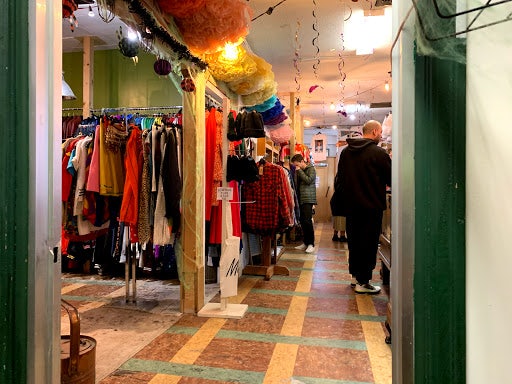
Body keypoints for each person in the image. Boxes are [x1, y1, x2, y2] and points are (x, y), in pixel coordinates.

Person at [334, 120, 391, 294]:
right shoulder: (379, 153)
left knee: (354, 243)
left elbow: (340, 180)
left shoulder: (345, 153)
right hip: (371, 207)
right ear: (374, 132)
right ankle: (363, 282)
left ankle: (355, 277)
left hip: (351, 207)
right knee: (368, 244)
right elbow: (391, 178)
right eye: (380, 132)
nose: (381, 135)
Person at [291, 153, 317, 254]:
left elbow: (309, 180)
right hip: (301, 198)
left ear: (302, 161)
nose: (296, 167)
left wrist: (299, 171)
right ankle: (306, 242)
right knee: (302, 221)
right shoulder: (301, 170)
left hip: (308, 199)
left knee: (307, 221)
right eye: (295, 165)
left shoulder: (311, 168)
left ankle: (311, 244)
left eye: (297, 164)